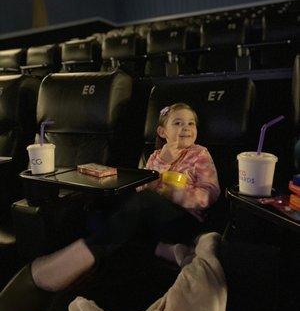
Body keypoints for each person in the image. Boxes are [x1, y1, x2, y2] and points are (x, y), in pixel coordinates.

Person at [31, 102, 220, 292]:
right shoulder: (155, 156)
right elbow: (141, 186)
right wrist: (164, 162)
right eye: (178, 123)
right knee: (113, 203)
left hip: (186, 220)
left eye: (191, 123)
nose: (186, 128)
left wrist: (170, 192)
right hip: (153, 219)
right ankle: (170, 251)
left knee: (143, 202)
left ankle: (85, 254)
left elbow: (208, 194)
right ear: (163, 132)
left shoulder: (200, 154)